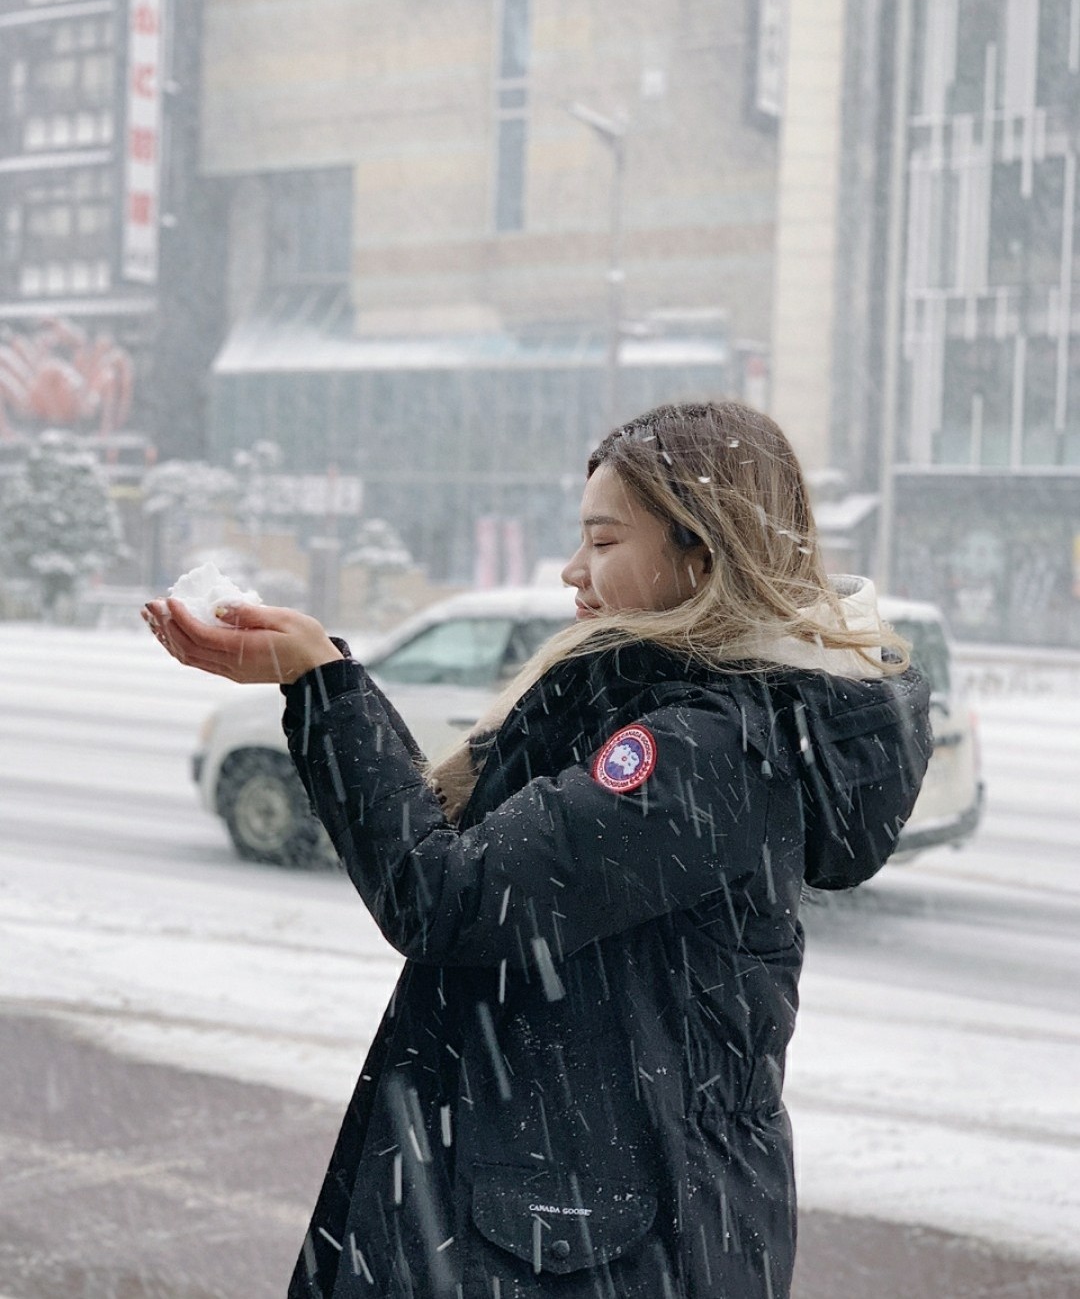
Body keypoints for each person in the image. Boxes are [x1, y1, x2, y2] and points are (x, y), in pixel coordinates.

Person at [144, 400, 932, 1299]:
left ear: (701, 556)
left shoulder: (707, 750)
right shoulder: (664, 711)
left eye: (603, 541)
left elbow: (450, 894)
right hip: (584, 1222)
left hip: (585, 1247)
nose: (572, 569)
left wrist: (319, 682)